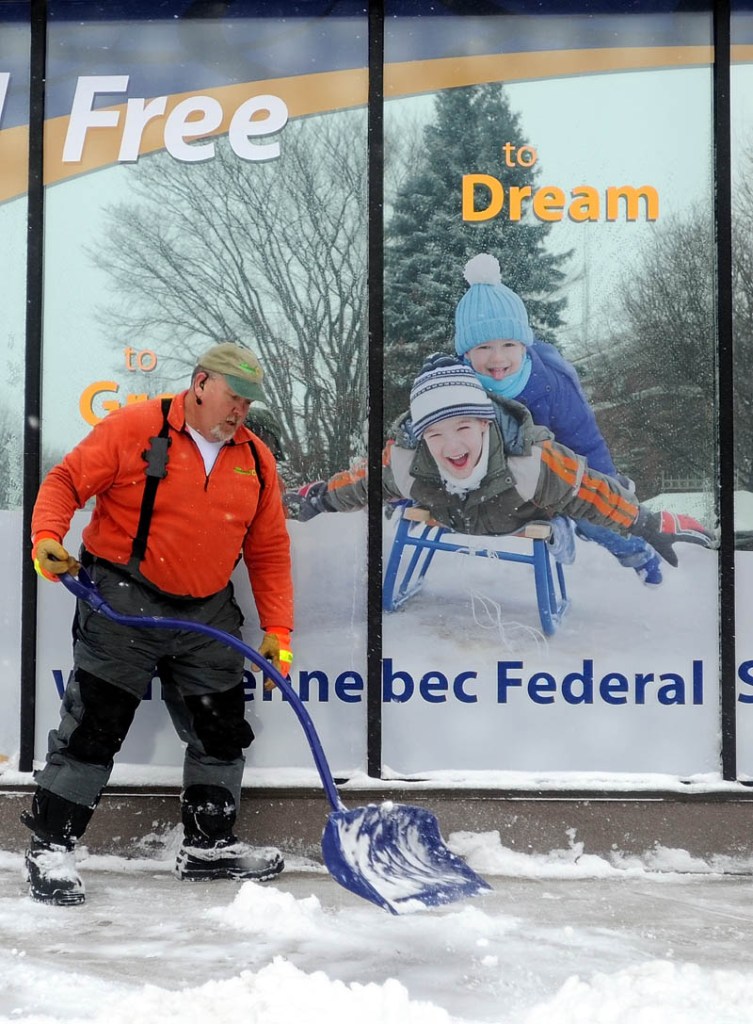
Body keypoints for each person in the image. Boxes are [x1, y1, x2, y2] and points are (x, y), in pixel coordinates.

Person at [27, 342, 294, 907]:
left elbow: (268, 550)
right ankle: (51, 848)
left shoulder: (255, 459)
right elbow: (66, 481)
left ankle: (207, 847)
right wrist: (47, 537)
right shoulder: (135, 428)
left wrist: (279, 631)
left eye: (248, 403)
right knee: (95, 725)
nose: (240, 411)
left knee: (220, 729)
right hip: (123, 600)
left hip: (207, 610)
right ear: (200, 384)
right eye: (233, 397)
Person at [294, 356, 715, 572]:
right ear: (421, 437)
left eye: (463, 427)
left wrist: (646, 522)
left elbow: (591, 491)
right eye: (435, 434)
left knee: (572, 507)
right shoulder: (405, 461)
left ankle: (563, 531)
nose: (451, 444)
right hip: (454, 514)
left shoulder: (531, 460)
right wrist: (317, 498)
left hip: (521, 512)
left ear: (485, 423)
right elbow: (359, 482)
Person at [453, 252, 664, 585]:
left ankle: (638, 554)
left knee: (593, 514)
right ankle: (554, 524)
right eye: (483, 348)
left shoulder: (550, 383)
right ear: (466, 352)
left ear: (524, 345)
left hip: (555, 475)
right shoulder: (457, 384)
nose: (497, 358)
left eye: (508, 344)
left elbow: (583, 438)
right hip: (492, 484)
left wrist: (606, 484)